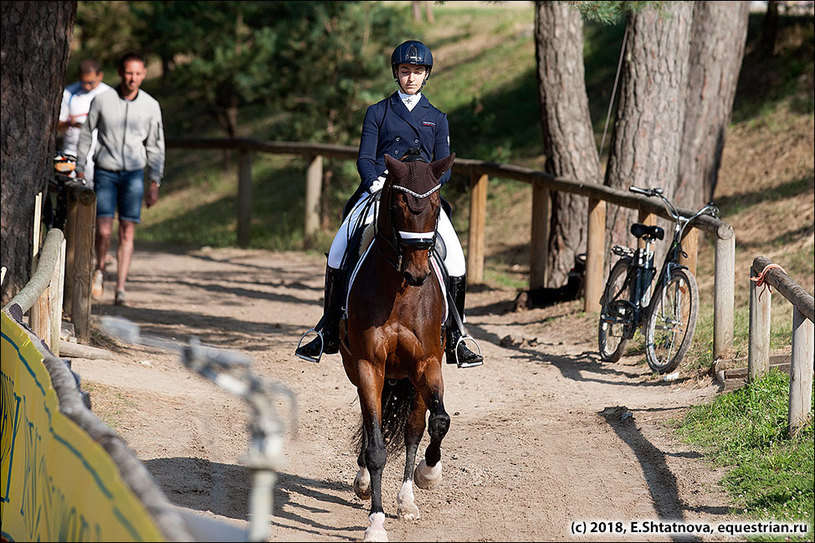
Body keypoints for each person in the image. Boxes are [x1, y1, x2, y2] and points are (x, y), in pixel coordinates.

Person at [295, 40, 483, 368]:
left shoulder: (437, 118)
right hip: (381, 191)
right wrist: (376, 182)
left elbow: (445, 167)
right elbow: (365, 157)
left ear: (427, 76)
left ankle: (457, 335)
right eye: (405, 71)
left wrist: (426, 186)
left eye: (418, 72)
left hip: (420, 201)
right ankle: (327, 326)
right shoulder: (378, 112)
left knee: (456, 258)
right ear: (396, 73)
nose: (411, 77)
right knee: (340, 247)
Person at [76, 51, 165, 306]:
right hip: (105, 171)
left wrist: (154, 182)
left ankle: (121, 288)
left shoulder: (151, 106)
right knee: (103, 229)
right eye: (128, 73)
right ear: (120, 73)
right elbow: (85, 134)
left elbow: (156, 146)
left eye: (138, 73)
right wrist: (81, 166)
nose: (132, 78)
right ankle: (100, 270)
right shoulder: (102, 101)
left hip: (134, 174)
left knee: (127, 231)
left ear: (144, 74)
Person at [57, 58, 112, 187]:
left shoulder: (109, 94)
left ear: (100, 76)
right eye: (83, 82)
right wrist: (70, 124)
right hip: (71, 153)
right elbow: (58, 125)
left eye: (90, 82)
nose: (87, 86)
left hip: (97, 155)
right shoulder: (69, 93)